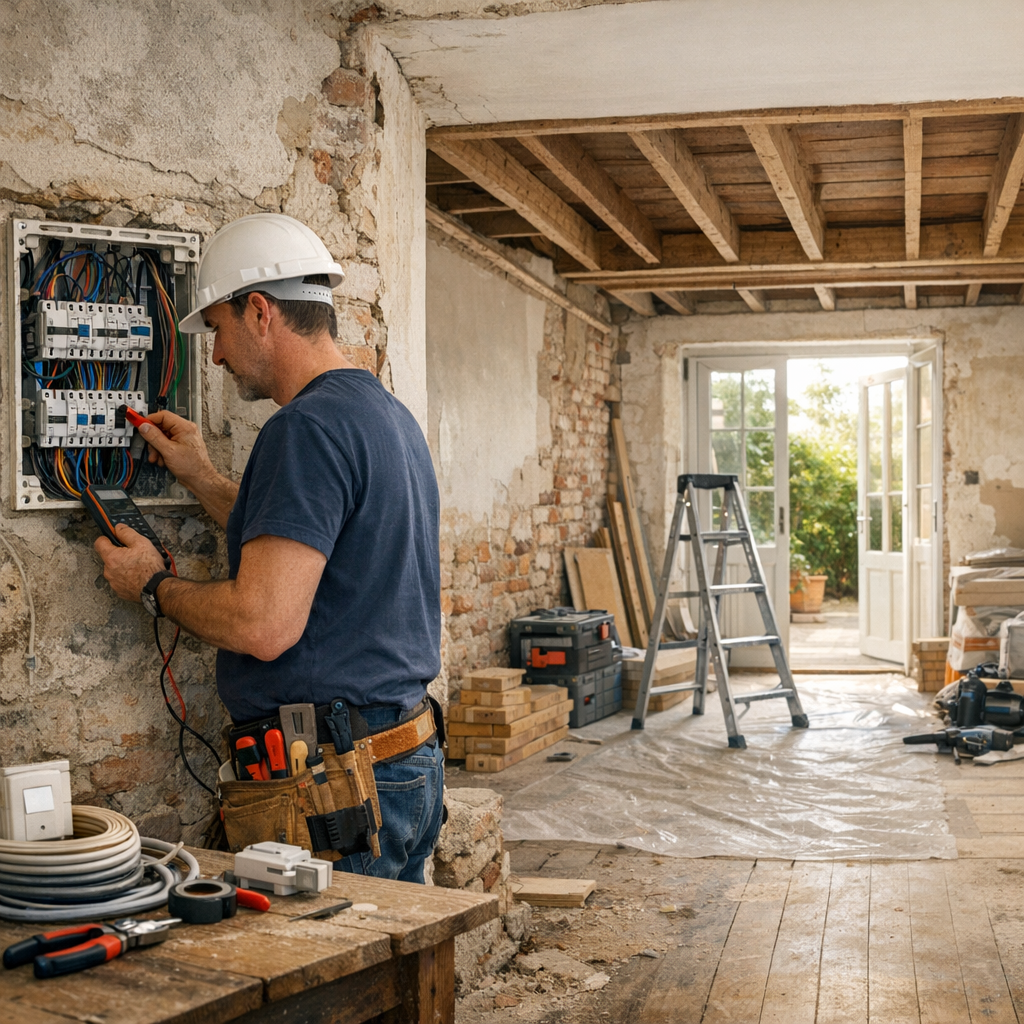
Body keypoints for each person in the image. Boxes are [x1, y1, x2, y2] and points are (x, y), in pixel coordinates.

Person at [94, 213, 444, 883]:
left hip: (338, 787)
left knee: (337, 982)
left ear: (259, 311)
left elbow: (264, 623)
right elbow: (312, 546)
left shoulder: (305, 428)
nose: (217, 355)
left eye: (219, 330)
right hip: (401, 763)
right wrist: (201, 477)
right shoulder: (384, 415)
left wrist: (151, 584)